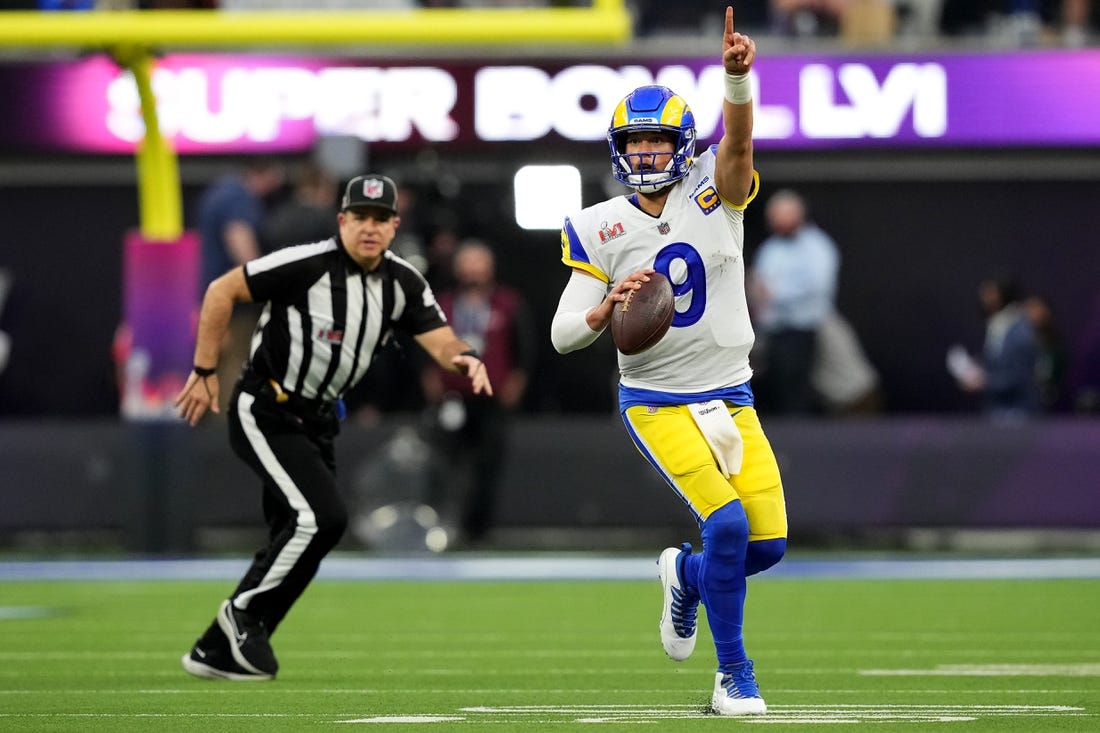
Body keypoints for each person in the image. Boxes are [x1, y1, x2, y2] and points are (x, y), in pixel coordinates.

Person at [551, 7, 786, 716]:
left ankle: (683, 575)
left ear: (683, 145)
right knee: (728, 526)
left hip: (730, 395)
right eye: (636, 143)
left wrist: (737, 81)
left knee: (767, 545)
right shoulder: (600, 225)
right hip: (657, 400)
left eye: (658, 142)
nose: (647, 155)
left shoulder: (716, 192)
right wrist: (600, 310)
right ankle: (734, 677)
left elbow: (738, 146)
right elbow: (565, 332)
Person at [174, 173, 493, 681]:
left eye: (379, 219)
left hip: (319, 419)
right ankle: (241, 617)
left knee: (298, 534)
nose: (369, 228)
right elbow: (221, 290)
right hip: (267, 406)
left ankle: (215, 650)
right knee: (321, 519)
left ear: (394, 226)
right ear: (342, 221)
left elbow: (440, 339)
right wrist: (205, 370)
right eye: (360, 217)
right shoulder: (305, 264)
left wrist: (466, 359)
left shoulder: (403, 282)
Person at [420, 239, 537, 547]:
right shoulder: (442, 304)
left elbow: (525, 347)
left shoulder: (508, 303)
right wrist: (429, 378)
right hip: (451, 398)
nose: (472, 269)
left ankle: (478, 532)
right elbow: (423, 344)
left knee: (487, 465)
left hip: (491, 399)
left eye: (478, 263)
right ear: (458, 267)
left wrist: (517, 382)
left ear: (490, 268)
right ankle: (442, 528)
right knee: (443, 466)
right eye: (467, 263)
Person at [195, 156, 286, 406]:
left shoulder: (218, 191)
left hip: (209, 296)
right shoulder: (238, 198)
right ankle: (225, 434)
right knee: (235, 364)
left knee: (210, 365)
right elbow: (240, 245)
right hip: (233, 304)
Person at [748, 188, 840, 415]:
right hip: (773, 330)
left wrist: (775, 294)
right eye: (774, 217)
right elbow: (759, 283)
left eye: (783, 215)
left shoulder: (817, 246)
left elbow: (818, 285)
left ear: (798, 214)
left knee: (800, 385)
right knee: (777, 385)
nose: (778, 221)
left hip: (805, 329)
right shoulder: (771, 248)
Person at [946, 274, 1039, 421]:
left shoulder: (1021, 331)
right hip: (996, 410)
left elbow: (1020, 376)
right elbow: (998, 363)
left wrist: (984, 382)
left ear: (1003, 293)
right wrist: (976, 371)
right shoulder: (997, 324)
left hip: (1017, 413)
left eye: (990, 292)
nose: (984, 297)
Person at [264, 161, 338, 251]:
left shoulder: (276, 215)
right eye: (331, 190)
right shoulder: (327, 219)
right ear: (322, 188)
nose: (333, 197)